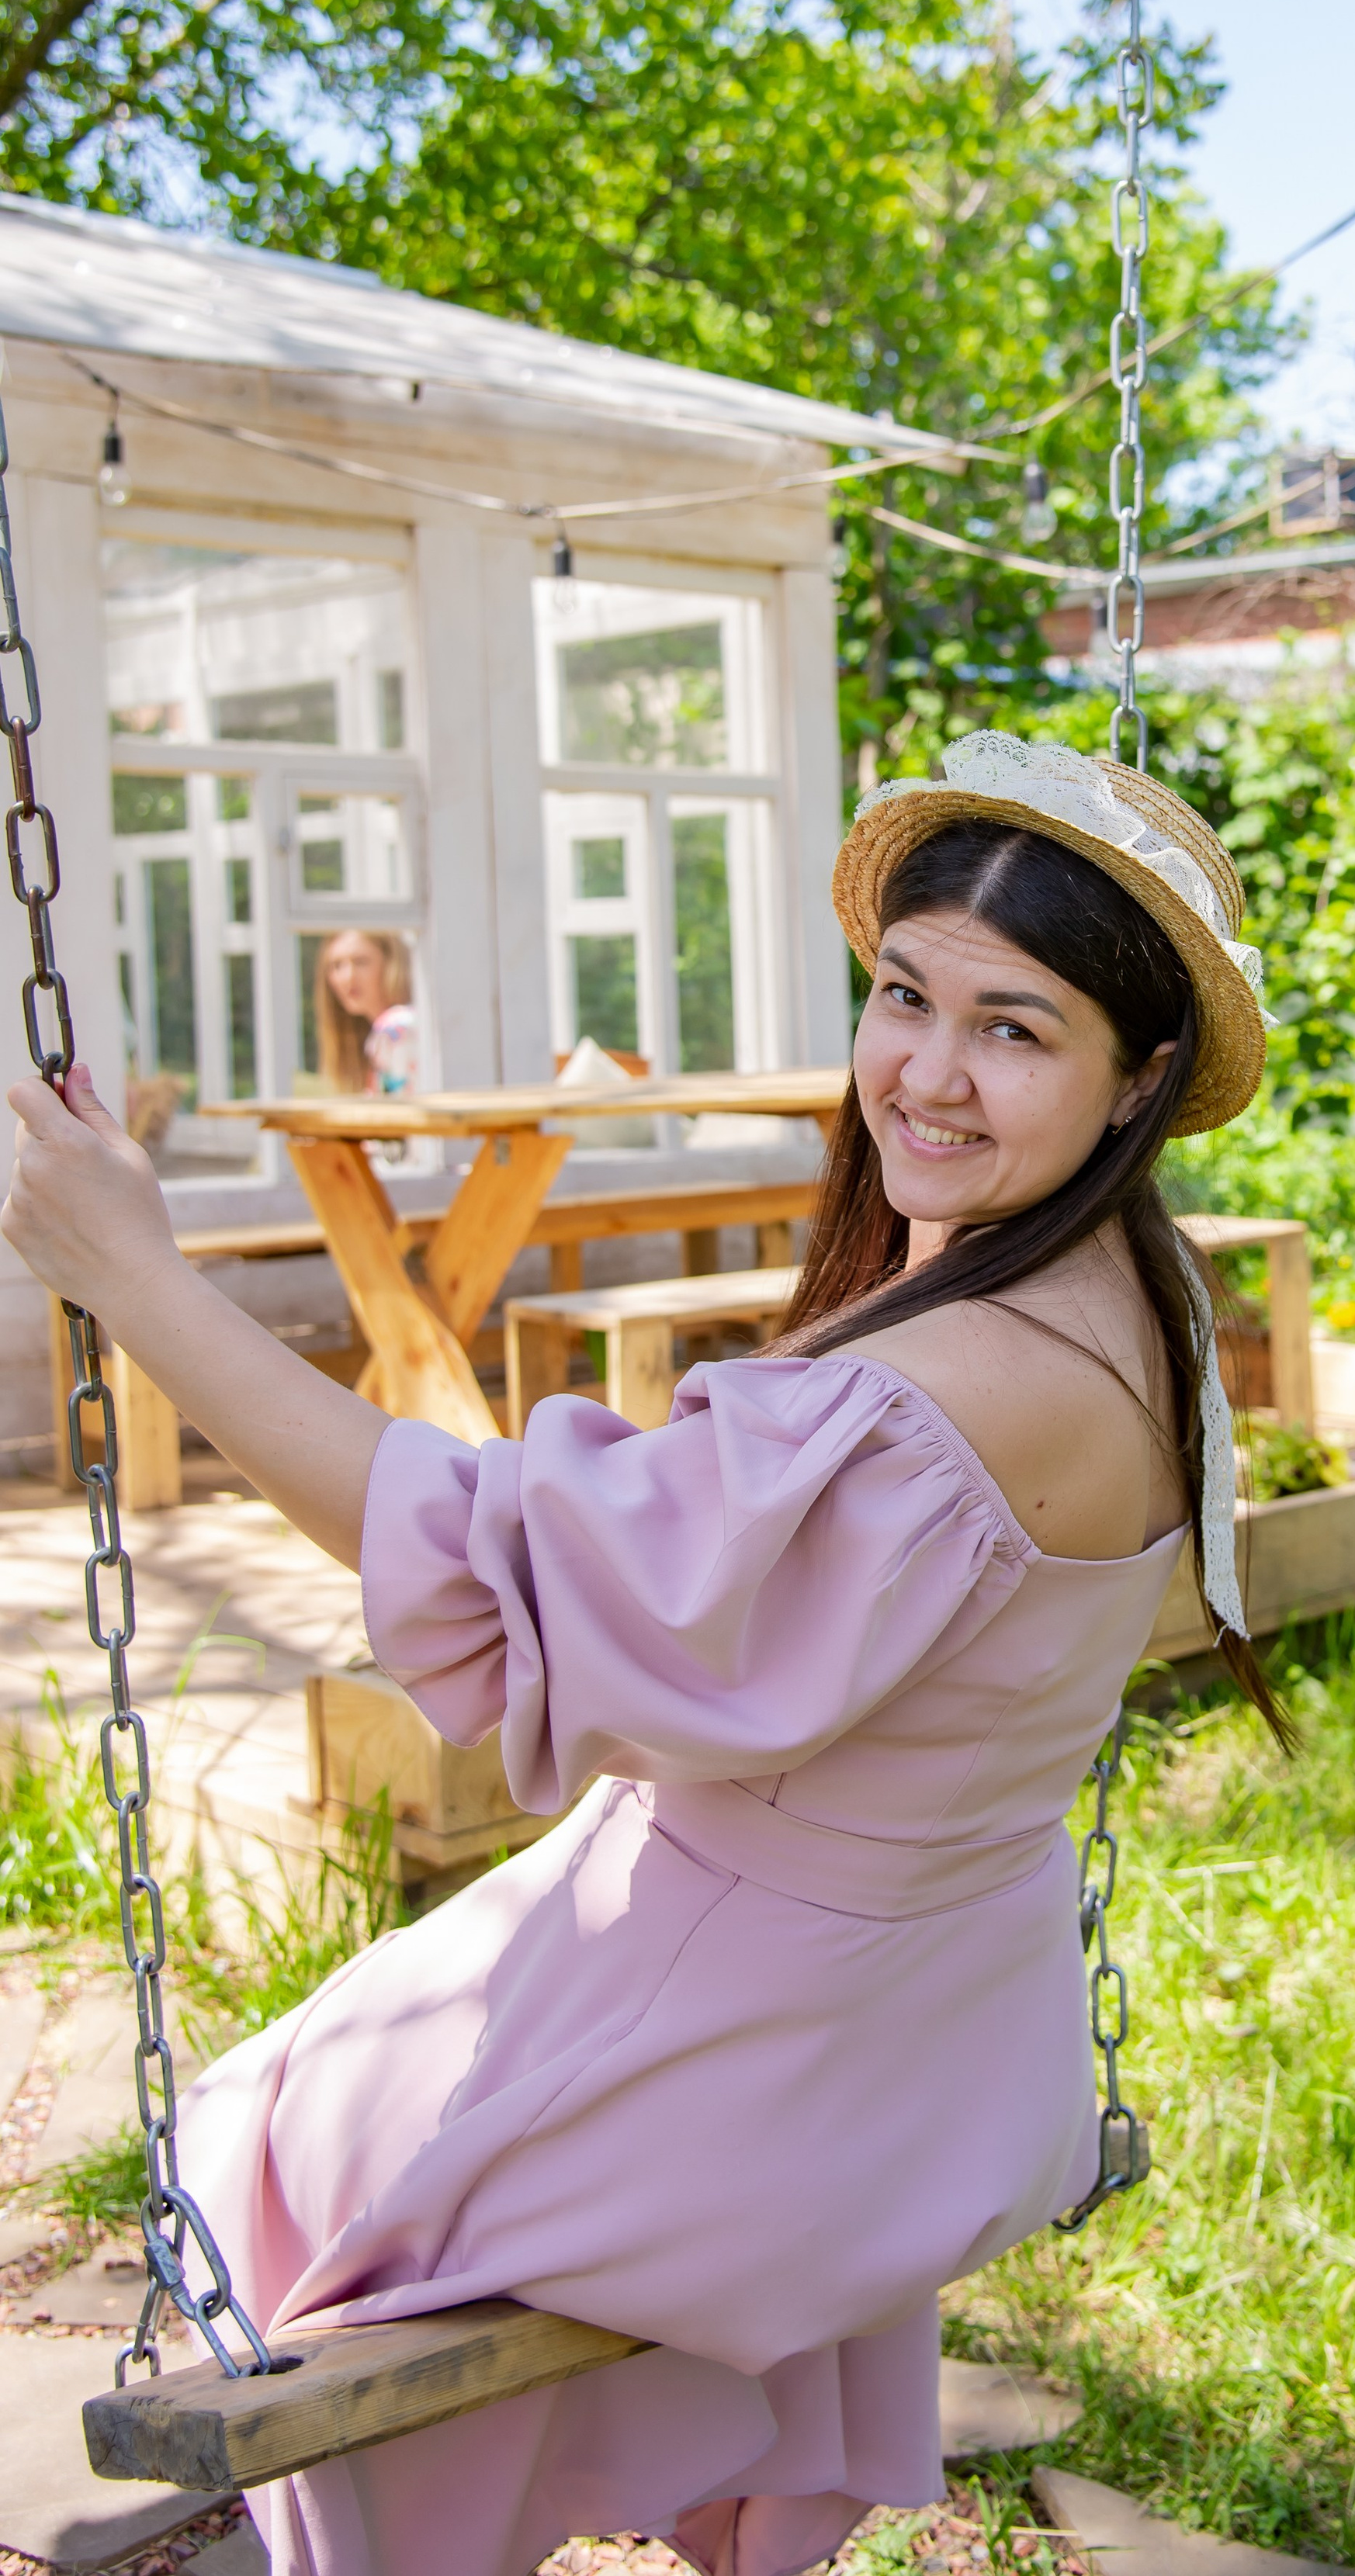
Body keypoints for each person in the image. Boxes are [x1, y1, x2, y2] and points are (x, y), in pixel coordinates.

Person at [1, 731, 1286, 2576]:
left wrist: (144, 1280)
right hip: (927, 2015)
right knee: (377, 2051)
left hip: (776, 2044)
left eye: (1013, 1028)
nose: (924, 1069)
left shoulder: (957, 1386)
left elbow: (487, 1561)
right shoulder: (1125, 1291)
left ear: (1134, 1073)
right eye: (904, 993)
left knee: (262, 2133)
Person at [314, 927, 417, 1096]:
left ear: (391, 962)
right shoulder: (384, 1031)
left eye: (361, 962)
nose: (348, 977)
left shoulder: (396, 1026)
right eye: (337, 965)